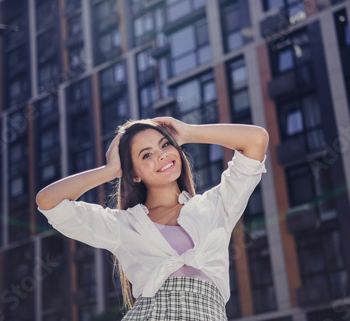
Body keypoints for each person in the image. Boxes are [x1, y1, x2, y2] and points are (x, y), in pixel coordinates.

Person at [36, 116, 268, 320]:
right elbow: (48, 201)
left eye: (165, 144)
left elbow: (256, 140)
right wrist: (111, 171)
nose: (162, 155)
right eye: (147, 154)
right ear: (133, 174)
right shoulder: (123, 225)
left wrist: (187, 132)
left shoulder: (215, 206)